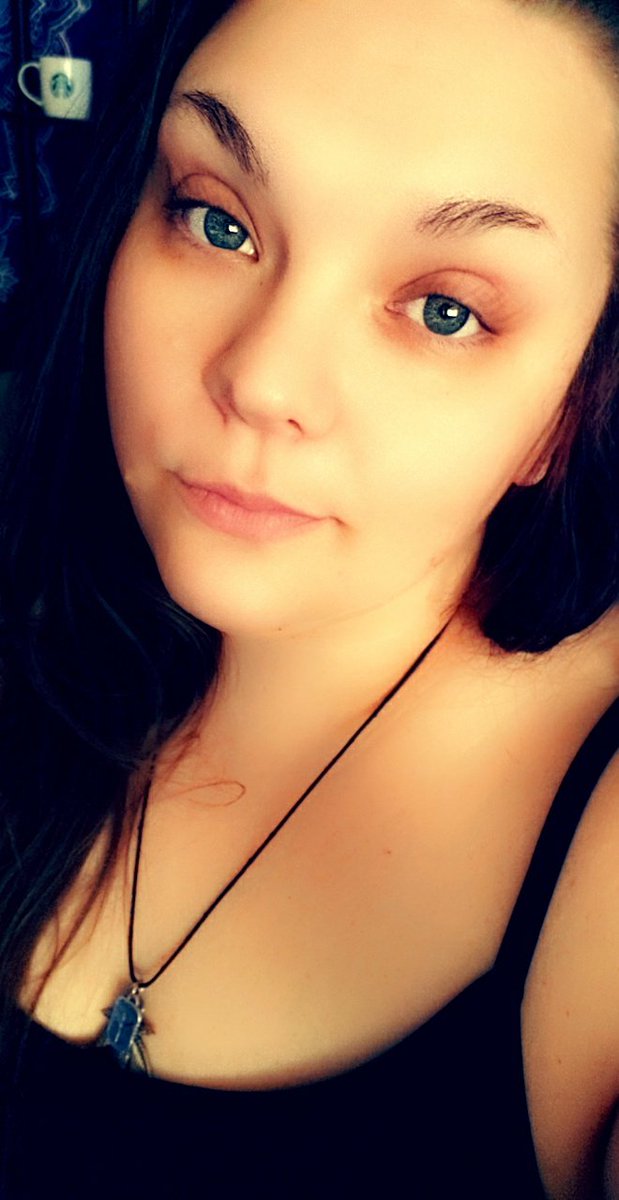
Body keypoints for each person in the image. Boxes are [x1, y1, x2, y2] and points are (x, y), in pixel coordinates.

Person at [1, 0, 619, 1195]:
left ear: (573, 402)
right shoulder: (40, 610)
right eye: (217, 220)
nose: (262, 377)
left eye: (445, 310)